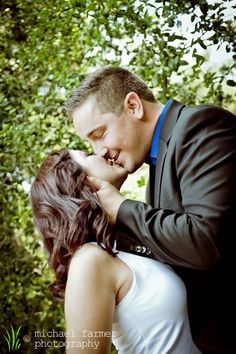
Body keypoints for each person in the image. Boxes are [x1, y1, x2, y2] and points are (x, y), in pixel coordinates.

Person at [65, 66, 236, 354]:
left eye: (100, 134)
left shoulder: (200, 127)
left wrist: (120, 208)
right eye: (89, 144)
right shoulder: (156, 169)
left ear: (133, 105)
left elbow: (205, 241)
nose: (100, 151)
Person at [30, 149, 201, 354]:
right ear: (77, 181)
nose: (101, 152)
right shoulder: (89, 260)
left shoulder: (122, 246)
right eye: (87, 154)